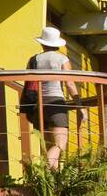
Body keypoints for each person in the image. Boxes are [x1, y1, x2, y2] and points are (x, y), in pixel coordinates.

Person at [24, 26, 79, 169]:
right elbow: (69, 83)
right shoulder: (62, 59)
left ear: (42, 43)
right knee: (60, 145)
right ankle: (41, 171)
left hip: (38, 105)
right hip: (56, 103)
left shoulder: (33, 60)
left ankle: (51, 185)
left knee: (49, 147)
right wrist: (79, 107)